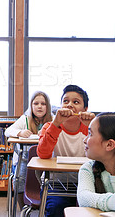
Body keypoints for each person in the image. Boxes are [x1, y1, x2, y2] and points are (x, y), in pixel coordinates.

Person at [37, 84, 95, 217]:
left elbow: (101, 155)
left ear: (85, 109)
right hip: (55, 183)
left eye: (76, 102)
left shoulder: (91, 128)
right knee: (55, 208)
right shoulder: (49, 126)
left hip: (86, 182)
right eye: (65, 101)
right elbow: (43, 154)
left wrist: (92, 128)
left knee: (89, 211)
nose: (69, 105)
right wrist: (56, 124)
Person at [4, 91, 53, 210]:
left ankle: (45, 207)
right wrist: (19, 132)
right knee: (19, 179)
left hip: (48, 160)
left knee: (49, 182)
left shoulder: (53, 119)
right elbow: (7, 131)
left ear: (48, 106)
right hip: (26, 159)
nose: (39, 106)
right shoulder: (25, 119)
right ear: (31, 106)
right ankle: (23, 209)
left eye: (43, 103)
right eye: (36, 103)